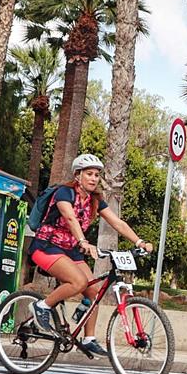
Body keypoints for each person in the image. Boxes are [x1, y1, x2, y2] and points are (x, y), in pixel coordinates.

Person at [28, 153, 150, 359]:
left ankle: (89, 339)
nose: (94, 178)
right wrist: (84, 242)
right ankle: (41, 306)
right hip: (46, 247)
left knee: (94, 292)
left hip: (71, 251)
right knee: (78, 281)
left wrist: (140, 242)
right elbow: (70, 217)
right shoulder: (64, 193)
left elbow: (117, 223)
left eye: (97, 175)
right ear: (78, 175)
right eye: (89, 174)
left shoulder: (95, 200)